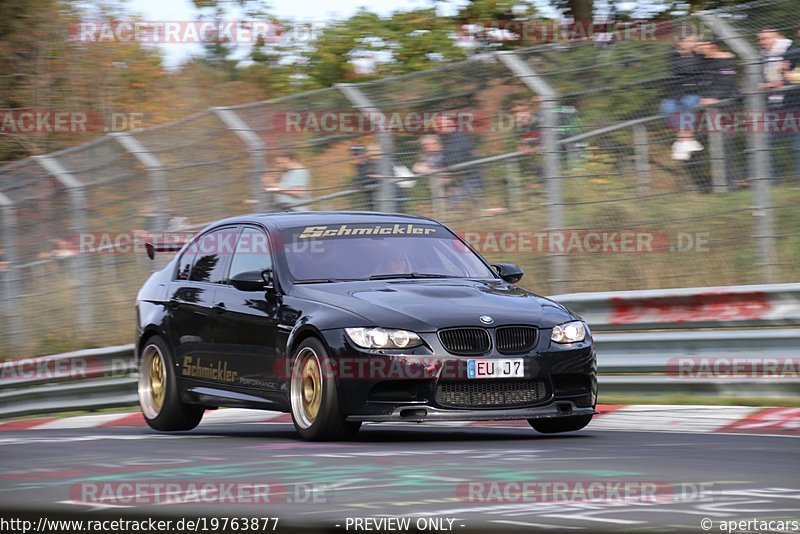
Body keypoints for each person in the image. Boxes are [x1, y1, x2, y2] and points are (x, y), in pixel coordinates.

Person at [757, 27, 800, 183]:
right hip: (775, 106)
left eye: (765, 38)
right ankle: (770, 180)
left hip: (795, 104)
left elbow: (796, 77)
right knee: (765, 142)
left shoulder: (794, 51)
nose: (762, 42)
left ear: (777, 37)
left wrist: (780, 82)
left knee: (798, 144)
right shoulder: (765, 57)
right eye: (760, 39)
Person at [662, 34, 705, 161]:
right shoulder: (674, 56)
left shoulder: (700, 58)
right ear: (680, 42)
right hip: (675, 91)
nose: (693, 44)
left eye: (695, 41)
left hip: (692, 90)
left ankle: (680, 142)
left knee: (689, 104)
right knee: (667, 107)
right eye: (690, 41)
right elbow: (678, 73)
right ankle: (687, 140)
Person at [439, 114, 484, 208]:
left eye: (442, 125)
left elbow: (456, 155)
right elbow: (446, 155)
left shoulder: (459, 136)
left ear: (450, 124)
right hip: (458, 176)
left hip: (469, 174)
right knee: (457, 202)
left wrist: (446, 169)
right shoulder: (445, 138)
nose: (440, 128)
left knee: (471, 200)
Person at [412, 135, 448, 214]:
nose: (426, 147)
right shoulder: (428, 156)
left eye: (428, 144)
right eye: (424, 145)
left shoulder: (446, 154)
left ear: (437, 143)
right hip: (432, 185)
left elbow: (445, 170)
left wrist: (428, 170)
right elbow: (416, 168)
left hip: (447, 184)